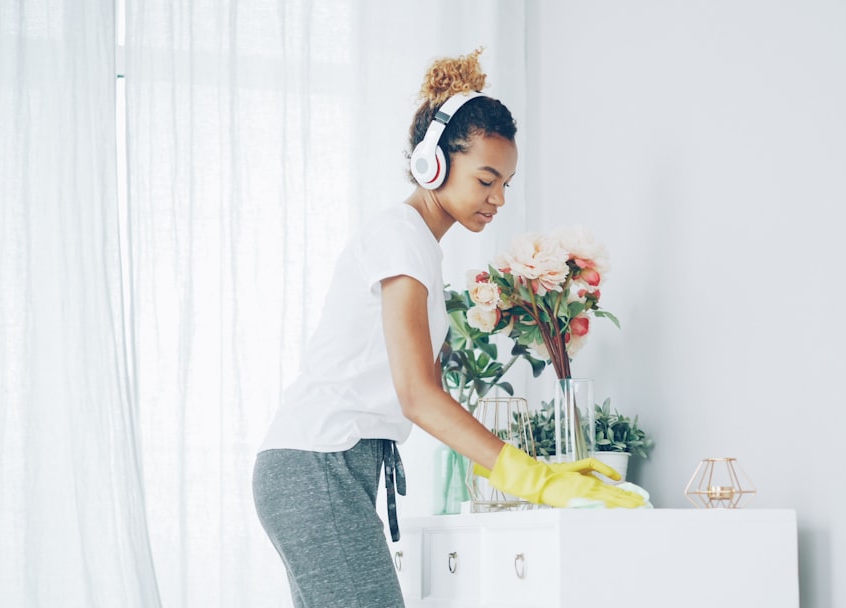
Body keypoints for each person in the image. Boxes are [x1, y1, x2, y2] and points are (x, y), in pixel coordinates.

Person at [252, 48, 644, 608]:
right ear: (432, 164)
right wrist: (537, 480)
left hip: (324, 465)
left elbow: (425, 396)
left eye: (506, 183)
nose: (499, 198)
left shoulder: (418, 247)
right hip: (320, 464)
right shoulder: (401, 237)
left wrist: (543, 469)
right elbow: (419, 396)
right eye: (487, 179)